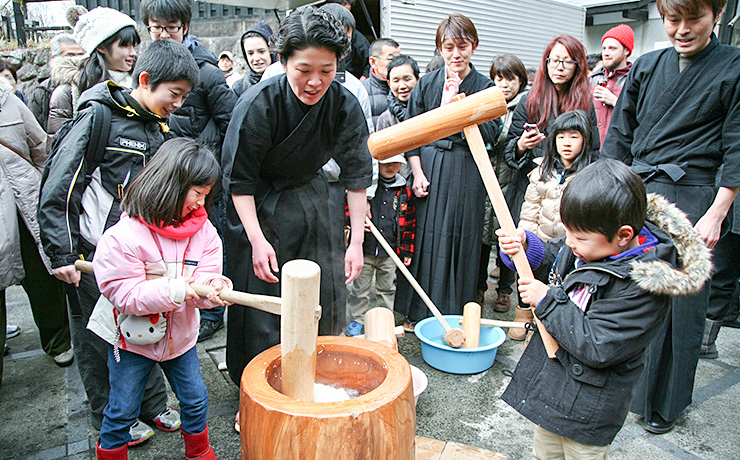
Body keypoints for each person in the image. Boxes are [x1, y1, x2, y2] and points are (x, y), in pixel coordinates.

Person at [38, 39, 201, 445]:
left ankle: (151, 405)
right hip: (91, 256)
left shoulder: (159, 127)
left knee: (150, 323)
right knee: (101, 340)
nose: (178, 105)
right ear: (145, 80)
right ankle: (109, 416)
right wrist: (61, 252)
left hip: (142, 255)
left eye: (184, 96)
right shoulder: (97, 118)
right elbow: (59, 186)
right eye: (174, 94)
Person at [497, 159, 710, 459]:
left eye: (579, 236)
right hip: (555, 393)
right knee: (544, 454)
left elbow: (599, 345)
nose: (570, 242)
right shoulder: (592, 244)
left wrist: (547, 301)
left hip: (590, 410)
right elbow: (557, 255)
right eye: (569, 232)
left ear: (623, 235)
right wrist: (525, 247)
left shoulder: (643, 286)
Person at [602, 0, 740, 434]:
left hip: (694, 199)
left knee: (681, 304)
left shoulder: (734, 67)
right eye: (672, 19)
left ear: (716, 14)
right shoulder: (646, 66)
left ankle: (665, 403)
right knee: (630, 292)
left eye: (693, 18)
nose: (681, 29)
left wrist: (718, 212)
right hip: (640, 192)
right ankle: (628, 390)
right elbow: (620, 135)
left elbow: (737, 145)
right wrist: (607, 193)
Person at [222, 6, 372, 402]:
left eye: (327, 69)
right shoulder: (259, 104)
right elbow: (238, 182)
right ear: (283, 59)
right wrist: (255, 240)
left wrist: (355, 241)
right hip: (258, 205)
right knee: (262, 307)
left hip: (312, 197)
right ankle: (255, 396)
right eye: (304, 69)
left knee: (325, 291)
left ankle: (315, 383)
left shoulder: (342, 103)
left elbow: (357, 175)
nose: (315, 81)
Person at [89, 138, 229, 460]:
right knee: (123, 408)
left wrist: (214, 288)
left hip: (180, 339)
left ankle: (199, 451)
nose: (201, 203)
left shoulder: (205, 232)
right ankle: (111, 452)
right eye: (197, 192)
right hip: (130, 342)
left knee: (195, 399)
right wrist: (177, 289)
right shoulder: (123, 237)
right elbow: (124, 295)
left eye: (207, 195)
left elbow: (206, 276)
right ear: (170, 184)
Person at [140, 0, 238, 341]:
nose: (163, 33)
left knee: (209, 245)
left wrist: (215, 173)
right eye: (156, 27)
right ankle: (174, 303)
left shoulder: (207, 74)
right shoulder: (149, 71)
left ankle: (212, 310)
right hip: (169, 181)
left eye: (171, 27)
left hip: (204, 180)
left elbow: (232, 125)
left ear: (185, 27)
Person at [394, 13, 497, 331]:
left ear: (474, 47)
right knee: (425, 237)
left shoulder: (484, 86)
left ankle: (454, 314)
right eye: (449, 46)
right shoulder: (427, 83)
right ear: (440, 48)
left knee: (460, 239)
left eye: (462, 46)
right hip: (429, 166)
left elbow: (492, 132)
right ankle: (418, 313)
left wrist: (458, 107)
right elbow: (411, 132)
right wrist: (417, 171)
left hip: (466, 168)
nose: (456, 54)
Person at [504, 34, 599, 339]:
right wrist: (521, 145)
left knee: (564, 254)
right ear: (545, 63)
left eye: (567, 61)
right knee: (525, 246)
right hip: (531, 184)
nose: (559, 67)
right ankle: (523, 311)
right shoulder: (530, 100)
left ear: (577, 65)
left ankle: (550, 316)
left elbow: (594, 149)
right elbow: (508, 152)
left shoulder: (586, 102)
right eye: (553, 60)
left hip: (569, 188)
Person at [0, 74, 73, 385]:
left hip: (23, 203)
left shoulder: (9, 102)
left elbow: (41, 147)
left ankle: (57, 339)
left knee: (43, 276)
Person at [477, 54, 529, 313]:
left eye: (510, 78)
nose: (504, 84)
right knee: (483, 237)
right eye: (499, 78)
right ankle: (479, 287)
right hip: (486, 180)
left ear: (521, 81)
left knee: (507, 238)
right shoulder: (486, 104)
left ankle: (505, 290)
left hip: (511, 181)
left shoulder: (525, 107)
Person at [345, 154, 415, 336]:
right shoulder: (366, 189)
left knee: (387, 288)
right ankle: (357, 319)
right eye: (386, 163)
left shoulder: (404, 191)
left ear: (401, 165)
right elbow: (348, 210)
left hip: (390, 252)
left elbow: (409, 223)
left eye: (395, 163)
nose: (390, 166)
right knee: (360, 289)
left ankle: (385, 319)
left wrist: (407, 250)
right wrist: (357, 221)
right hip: (366, 250)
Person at [47, 7, 140, 135]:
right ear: (101, 46)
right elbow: (62, 146)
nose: (132, 53)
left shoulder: (142, 83)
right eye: (125, 45)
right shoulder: (69, 92)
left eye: (134, 45)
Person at [519, 110, 595, 241]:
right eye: (561, 137)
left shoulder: (590, 176)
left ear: (585, 140)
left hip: (571, 246)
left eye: (574, 137)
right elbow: (529, 215)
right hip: (541, 244)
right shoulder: (541, 171)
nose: (567, 143)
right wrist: (528, 245)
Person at [28, 33, 85, 131]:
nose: (77, 60)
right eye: (69, 55)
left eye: (80, 55)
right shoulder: (43, 91)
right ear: (55, 58)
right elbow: (34, 130)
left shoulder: (95, 81)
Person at [590, 24, 634, 145]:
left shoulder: (634, 81)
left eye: (612, 48)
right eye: (604, 48)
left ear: (626, 51)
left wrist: (616, 101)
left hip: (619, 152)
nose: (606, 53)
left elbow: (641, 116)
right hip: (592, 152)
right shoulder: (592, 79)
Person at [362, 38, 401, 129]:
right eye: (391, 59)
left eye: (399, 58)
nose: (396, 63)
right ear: (373, 62)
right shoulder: (361, 90)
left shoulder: (408, 89)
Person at [232, 22, 277, 97]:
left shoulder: (287, 83)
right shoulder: (239, 88)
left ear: (271, 51)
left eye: (261, 52)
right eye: (250, 53)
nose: (256, 58)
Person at [376, 54, 419, 131]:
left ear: (418, 80)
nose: (402, 86)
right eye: (396, 81)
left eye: (407, 79)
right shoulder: (385, 120)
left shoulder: (430, 110)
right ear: (389, 84)